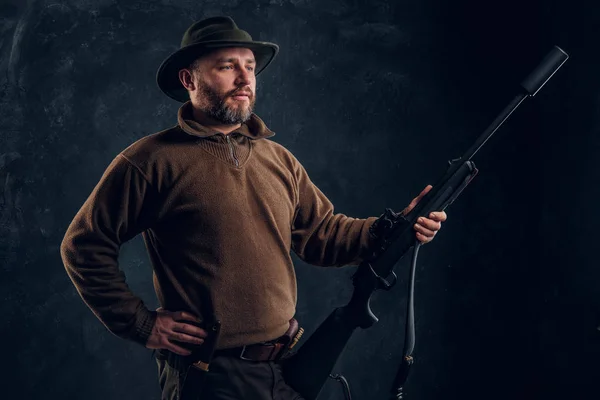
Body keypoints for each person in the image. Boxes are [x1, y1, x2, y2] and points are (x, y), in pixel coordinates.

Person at [60, 16, 447, 400]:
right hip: (209, 375)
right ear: (189, 80)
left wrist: (395, 226)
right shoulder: (151, 161)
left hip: (285, 369)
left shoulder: (277, 158)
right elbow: (83, 245)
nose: (245, 79)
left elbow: (322, 236)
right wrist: (142, 324)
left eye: (249, 67)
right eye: (228, 67)